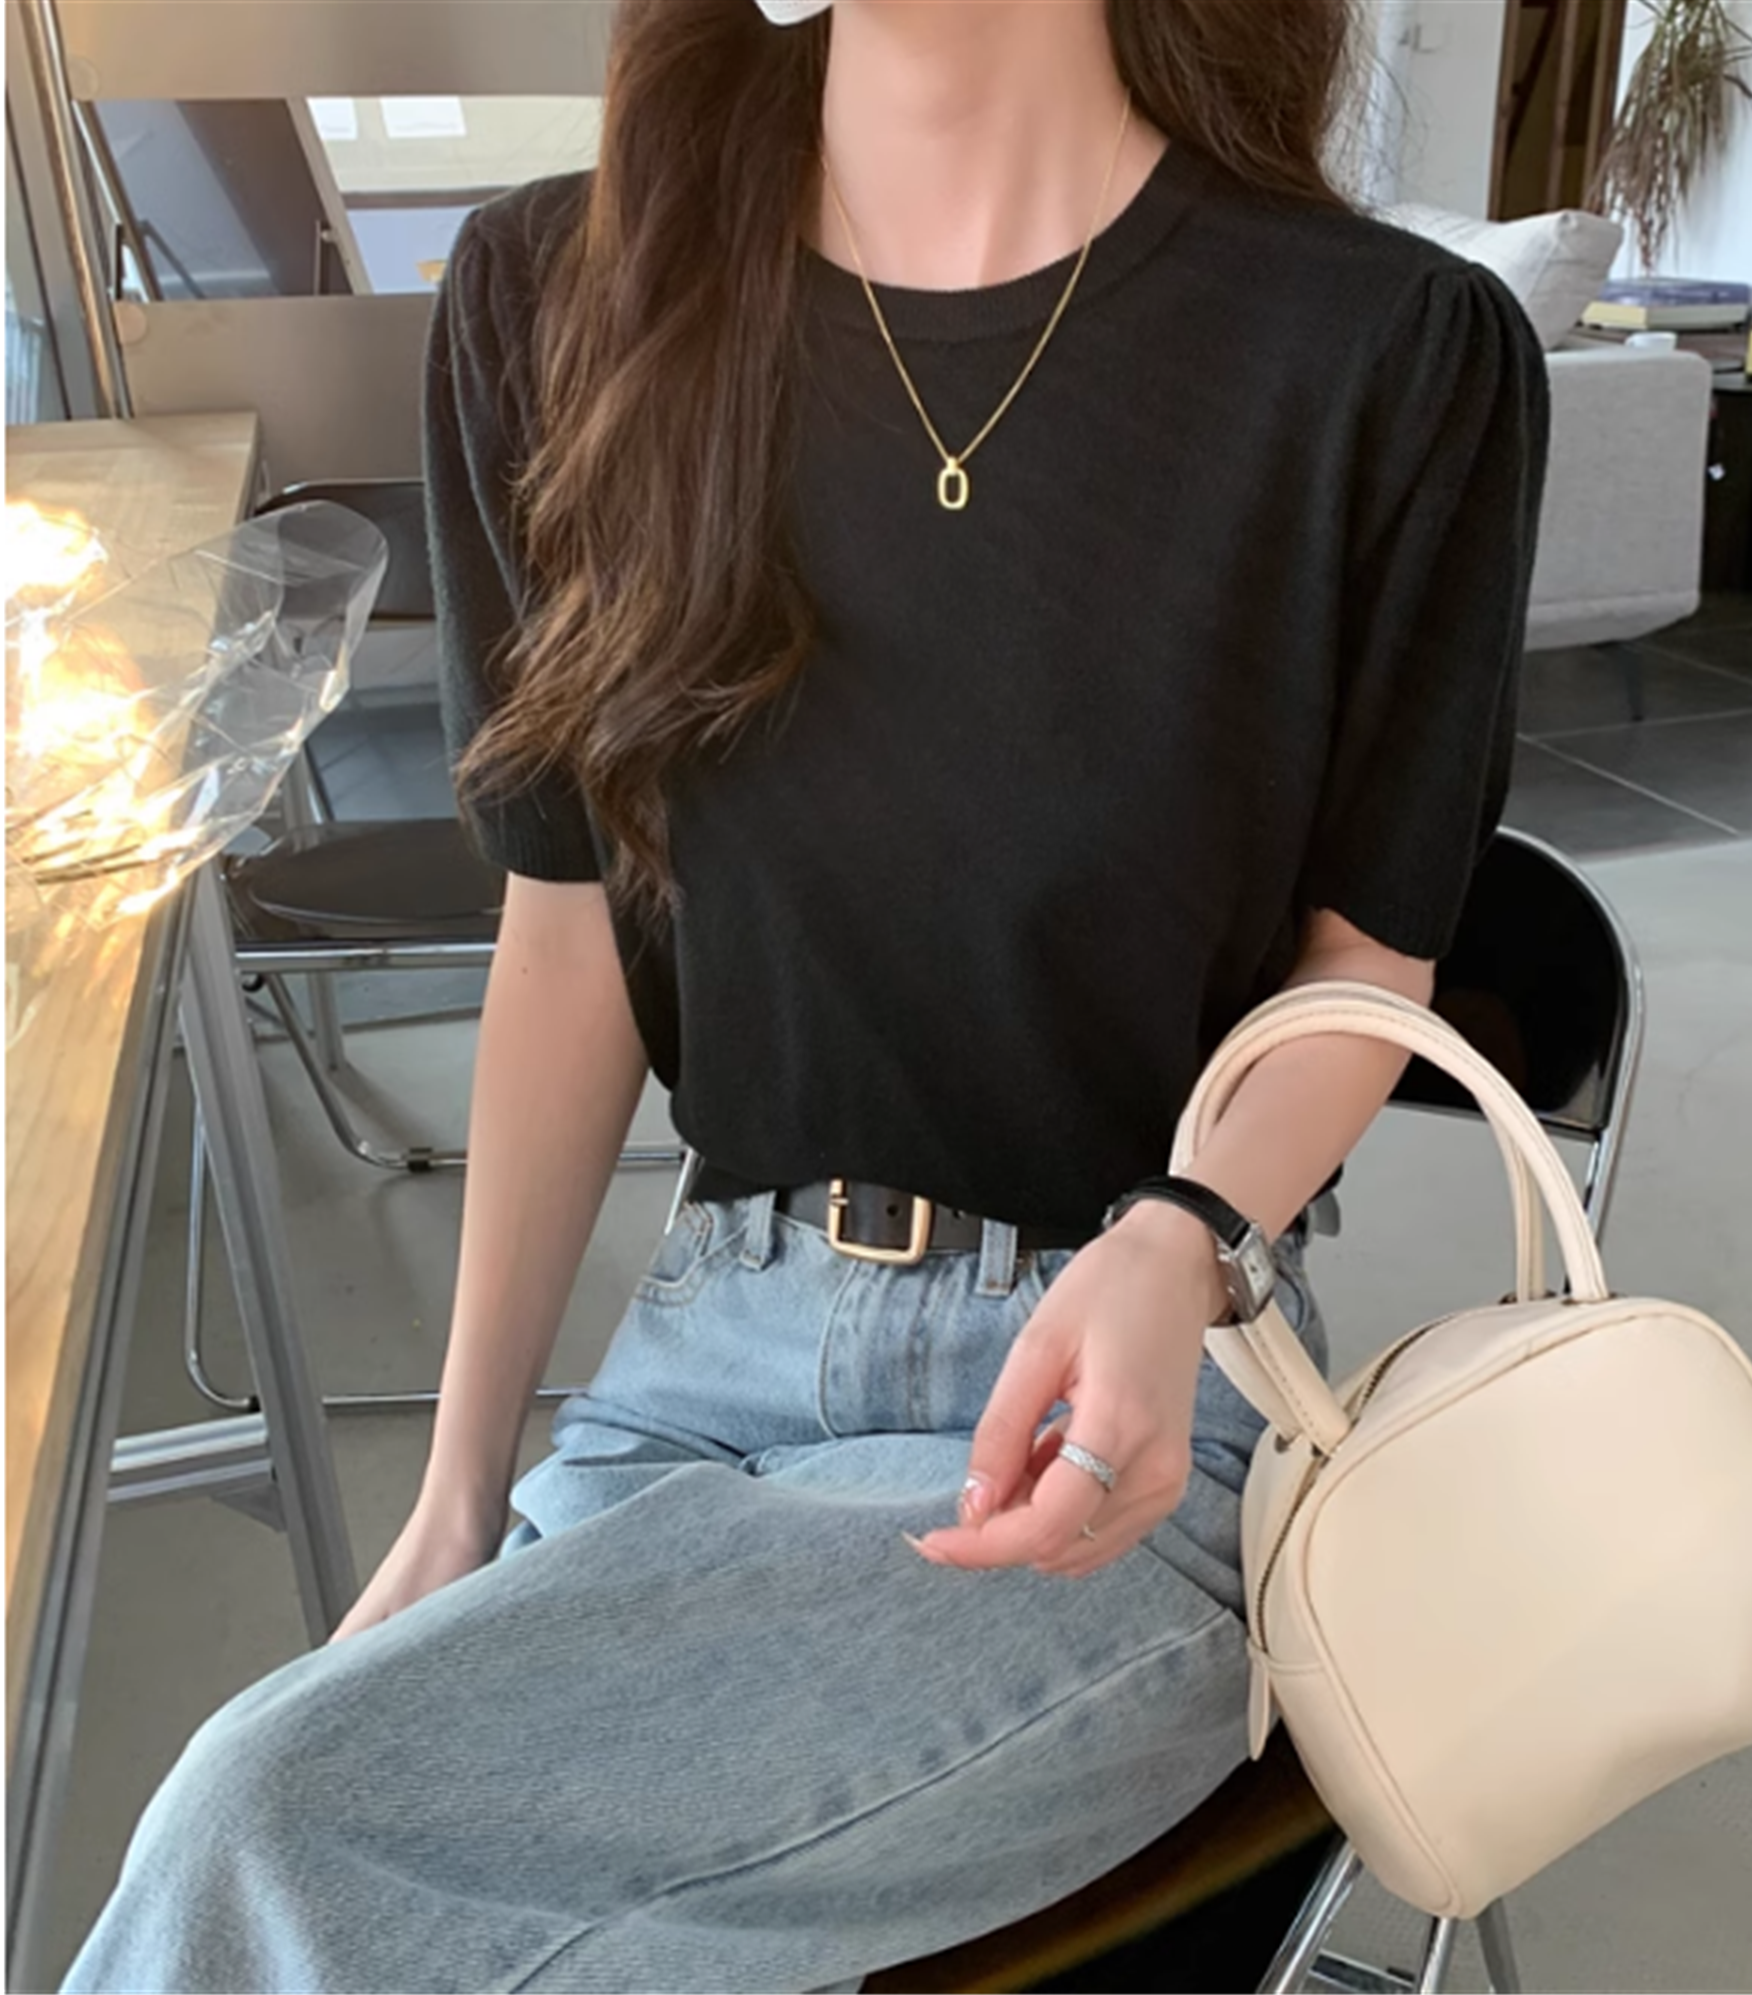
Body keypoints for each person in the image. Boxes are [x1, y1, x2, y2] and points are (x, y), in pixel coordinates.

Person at [63, 0, 1547, 1988]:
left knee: (278, 1836)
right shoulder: (559, 297)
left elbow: (1367, 964)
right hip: (697, 1366)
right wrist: (460, 1486)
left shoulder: (1385, 352)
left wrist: (1182, 1238)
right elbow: (569, 928)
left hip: (1113, 1435)